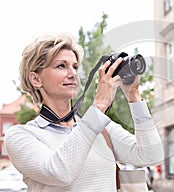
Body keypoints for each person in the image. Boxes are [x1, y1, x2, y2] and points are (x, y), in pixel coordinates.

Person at [4, 33, 164, 192]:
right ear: (36, 79)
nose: (73, 74)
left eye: (75, 67)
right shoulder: (21, 136)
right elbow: (60, 172)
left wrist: (133, 95)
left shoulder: (102, 129)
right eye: (61, 66)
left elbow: (151, 155)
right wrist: (100, 105)